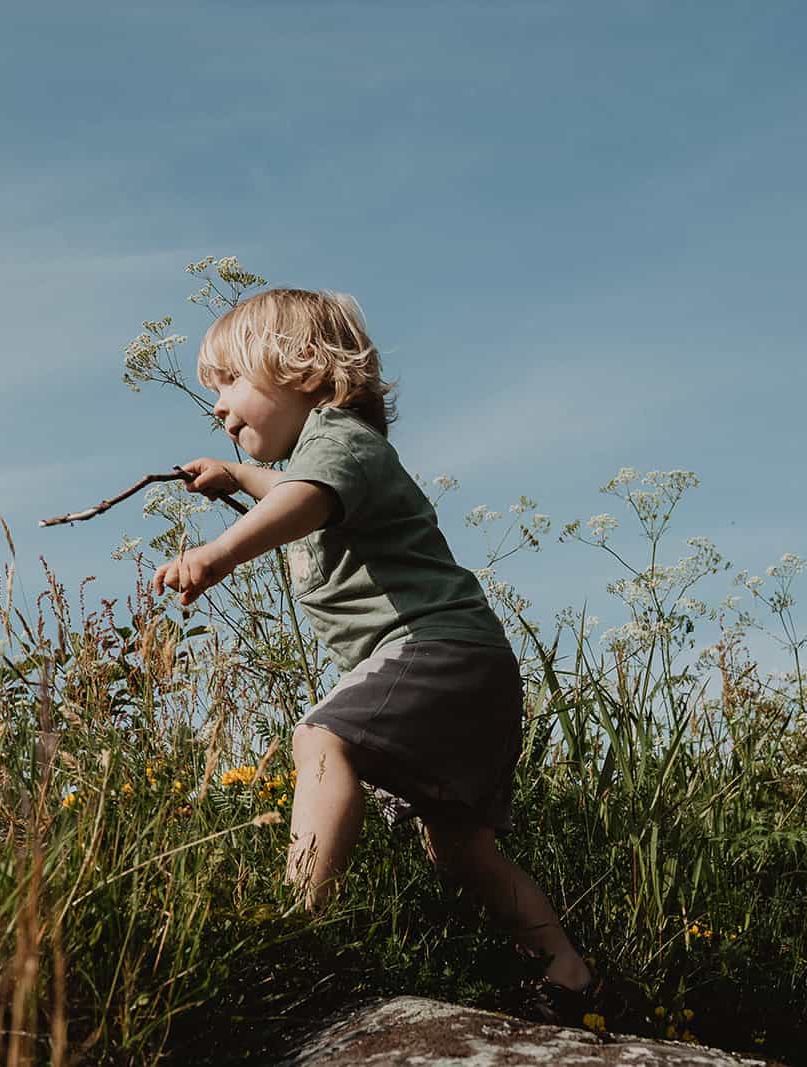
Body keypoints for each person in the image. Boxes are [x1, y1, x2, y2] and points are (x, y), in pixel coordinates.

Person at [150, 287, 630, 1026]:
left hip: (434, 649)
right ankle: (569, 972)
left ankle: (301, 925)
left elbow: (304, 499)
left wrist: (218, 553)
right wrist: (236, 472)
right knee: (460, 850)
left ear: (303, 370)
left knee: (321, 737)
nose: (218, 404)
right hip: (473, 668)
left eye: (231, 383)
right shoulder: (334, 453)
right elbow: (293, 488)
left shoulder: (339, 438)